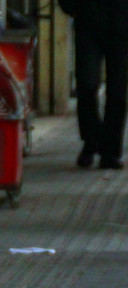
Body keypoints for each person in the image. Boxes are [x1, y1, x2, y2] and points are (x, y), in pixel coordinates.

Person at [60, 0, 128, 169]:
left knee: (117, 93)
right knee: (86, 85)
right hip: (88, 24)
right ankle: (91, 141)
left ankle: (110, 153)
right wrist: (72, 8)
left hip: (121, 26)